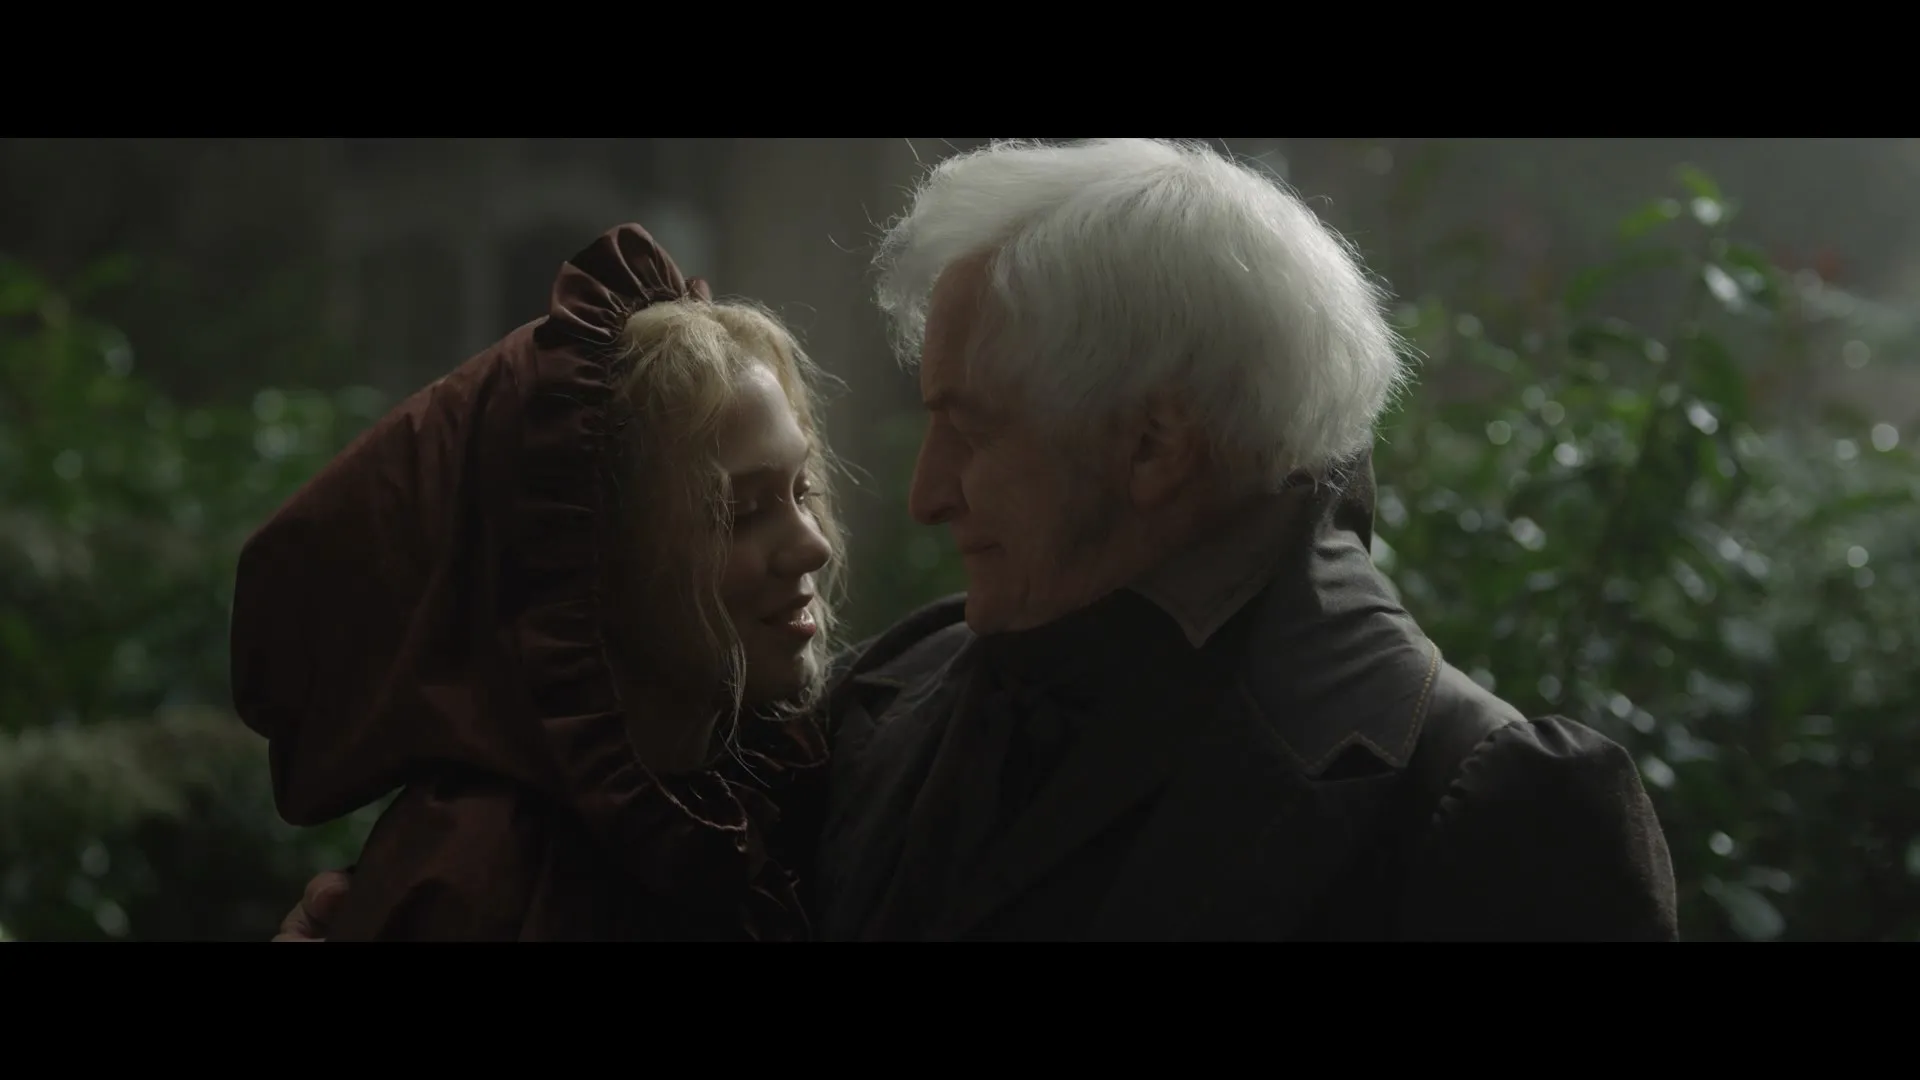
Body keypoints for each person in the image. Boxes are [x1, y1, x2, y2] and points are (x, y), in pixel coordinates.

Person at [278, 138, 1679, 941]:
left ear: (1153, 445)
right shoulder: (884, 703)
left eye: (969, 425)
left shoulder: (1490, 806)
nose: (925, 493)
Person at [236, 223, 844, 940]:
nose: (811, 545)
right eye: (737, 512)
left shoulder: (765, 789)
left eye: (801, 490)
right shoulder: (486, 879)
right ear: (588, 565)